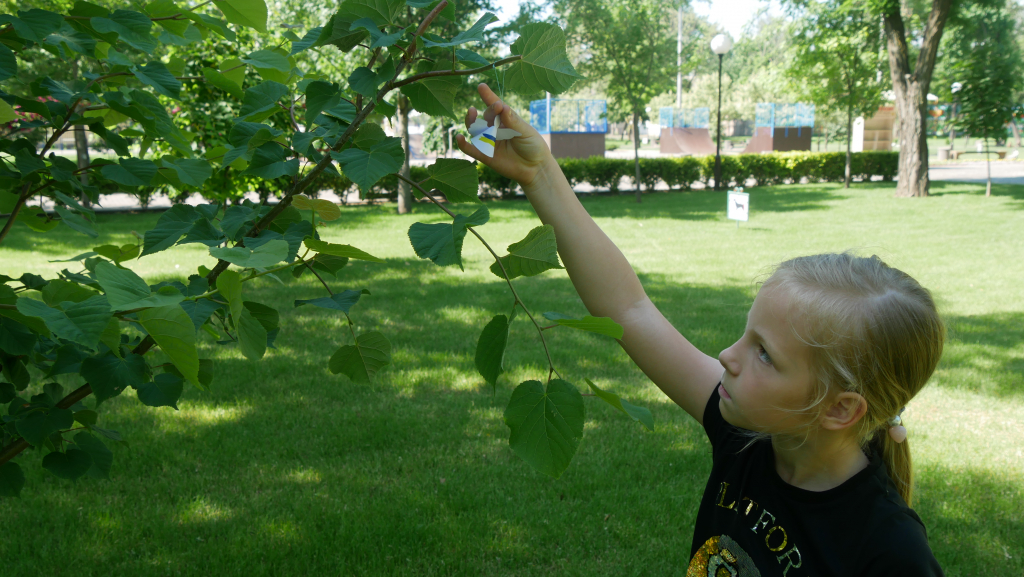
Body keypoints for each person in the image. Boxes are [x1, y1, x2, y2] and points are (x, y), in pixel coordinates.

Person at [456, 84, 946, 576]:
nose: (728, 356)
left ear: (839, 407)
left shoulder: (889, 550)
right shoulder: (749, 436)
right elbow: (628, 310)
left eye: (764, 355)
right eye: (747, 336)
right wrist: (539, 174)